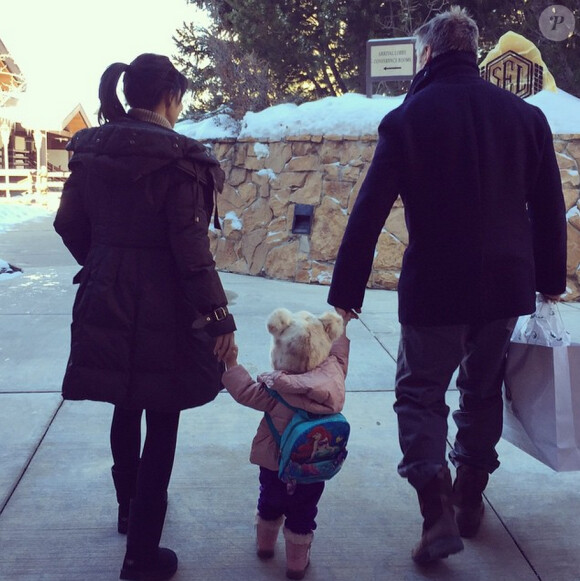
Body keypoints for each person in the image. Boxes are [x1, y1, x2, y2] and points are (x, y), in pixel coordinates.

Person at [328, 7, 566, 565]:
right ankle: (470, 496)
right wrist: (549, 280)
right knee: (481, 390)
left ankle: (436, 510)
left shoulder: (410, 117)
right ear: (475, 51)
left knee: (419, 393)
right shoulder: (525, 117)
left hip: (436, 285)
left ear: (428, 53)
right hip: (506, 287)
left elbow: (367, 211)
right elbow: (550, 208)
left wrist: (347, 292)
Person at [54, 53, 236, 581]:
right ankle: (141, 555)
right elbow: (191, 252)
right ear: (170, 98)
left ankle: (127, 508)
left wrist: (105, 262)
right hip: (167, 306)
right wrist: (219, 317)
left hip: (105, 294)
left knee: (126, 400)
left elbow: (69, 224)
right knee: (162, 413)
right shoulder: (182, 160)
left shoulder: (91, 152)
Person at [221, 308, 349, 580]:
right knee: (304, 513)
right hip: (314, 468)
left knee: (269, 500)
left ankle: (265, 546)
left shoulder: (276, 391)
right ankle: (296, 564)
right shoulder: (333, 381)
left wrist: (231, 363)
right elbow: (339, 356)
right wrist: (344, 324)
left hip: (275, 463)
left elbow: (243, 391)